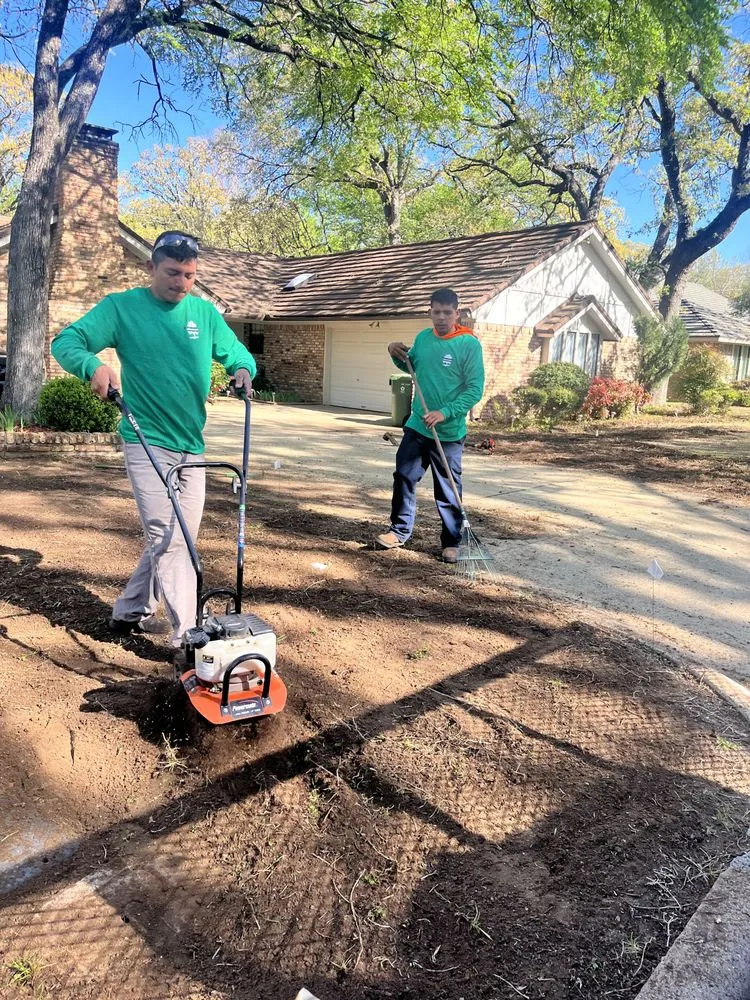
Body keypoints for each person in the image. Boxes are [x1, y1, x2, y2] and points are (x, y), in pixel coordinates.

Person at [51, 230, 256, 649]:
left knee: (176, 538)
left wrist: (243, 369)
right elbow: (65, 341)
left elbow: (237, 352)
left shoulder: (204, 313)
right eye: (172, 272)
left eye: (189, 275)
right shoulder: (121, 308)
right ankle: (190, 640)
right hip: (146, 441)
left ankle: (129, 610)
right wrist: (92, 366)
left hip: (192, 446)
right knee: (170, 535)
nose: (180, 282)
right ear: (151, 268)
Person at [375, 287, 484, 563]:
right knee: (404, 476)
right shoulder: (423, 339)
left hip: (448, 432)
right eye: (436, 312)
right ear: (429, 312)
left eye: (448, 312)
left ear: (457, 313)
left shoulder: (468, 344)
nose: (441, 318)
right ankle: (398, 532)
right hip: (417, 424)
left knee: (447, 487)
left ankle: (451, 542)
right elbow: (411, 368)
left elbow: (474, 389)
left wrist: (445, 412)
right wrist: (394, 353)